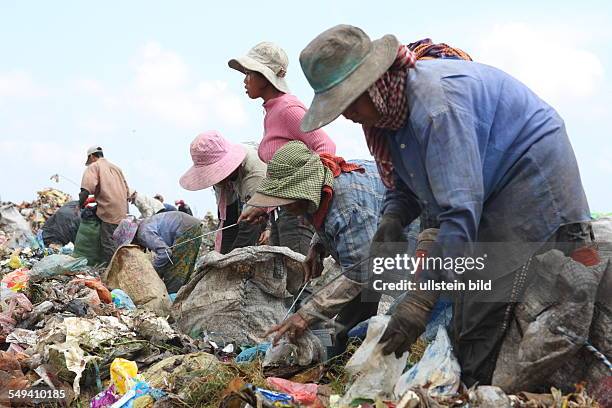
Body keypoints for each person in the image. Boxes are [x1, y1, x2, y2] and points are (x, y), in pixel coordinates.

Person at [297, 25, 593, 387]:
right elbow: (407, 186)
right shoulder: (388, 118)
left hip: (529, 180)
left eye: (349, 103)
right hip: (489, 192)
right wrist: (392, 217)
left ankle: (478, 388)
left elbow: (458, 213)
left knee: (485, 303)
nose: (347, 116)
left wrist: (420, 300)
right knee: (466, 306)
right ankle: (471, 381)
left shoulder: (436, 107)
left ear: (374, 83)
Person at [243, 141, 385, 354]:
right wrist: (317, 247)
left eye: (286, 199)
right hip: (371, 250)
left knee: (399, 305)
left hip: (412, 230)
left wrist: (306, 315)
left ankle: (359, 353)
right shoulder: (321, 186)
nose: (283, 206)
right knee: (357, 309)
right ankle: (347, 350)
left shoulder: (349, 208)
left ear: (303, 190)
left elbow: (360, 273)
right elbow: (326, 220)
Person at [229, 42, 336, 255]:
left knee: (298, 279)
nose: (245, 80)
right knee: (287, 277)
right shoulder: (272, 112)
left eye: (249, 73)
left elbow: (325, 147)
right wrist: (266, 205)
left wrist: (301, 195)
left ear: (265, 76)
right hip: (285, 211)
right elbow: (280, 172)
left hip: (298, 213)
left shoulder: (288, 109)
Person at [180, 131, 267, 254]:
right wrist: (222, 256)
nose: (214, 179)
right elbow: (228, 219)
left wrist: (232, 260)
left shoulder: (254, 171)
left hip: (282, 203)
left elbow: (252, 221)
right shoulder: (222, 183)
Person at [121, 211, 203, 293]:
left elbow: (165, 253)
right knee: (185, 266)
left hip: (186, 228)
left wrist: (153, 272)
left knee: (176, 270)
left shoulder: (143, 233)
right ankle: (181, 294)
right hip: (190, 225)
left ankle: (172, 298)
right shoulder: (145, 224)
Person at [78, 146, 130, 263]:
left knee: (107, 243)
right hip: (122, 210)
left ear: (91, 156)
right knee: (117, 242)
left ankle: (112, 272)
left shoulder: (94, 167)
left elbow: (85, 190)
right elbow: (127, 190)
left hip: (109, 210)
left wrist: (78, 205)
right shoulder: (116, 168)